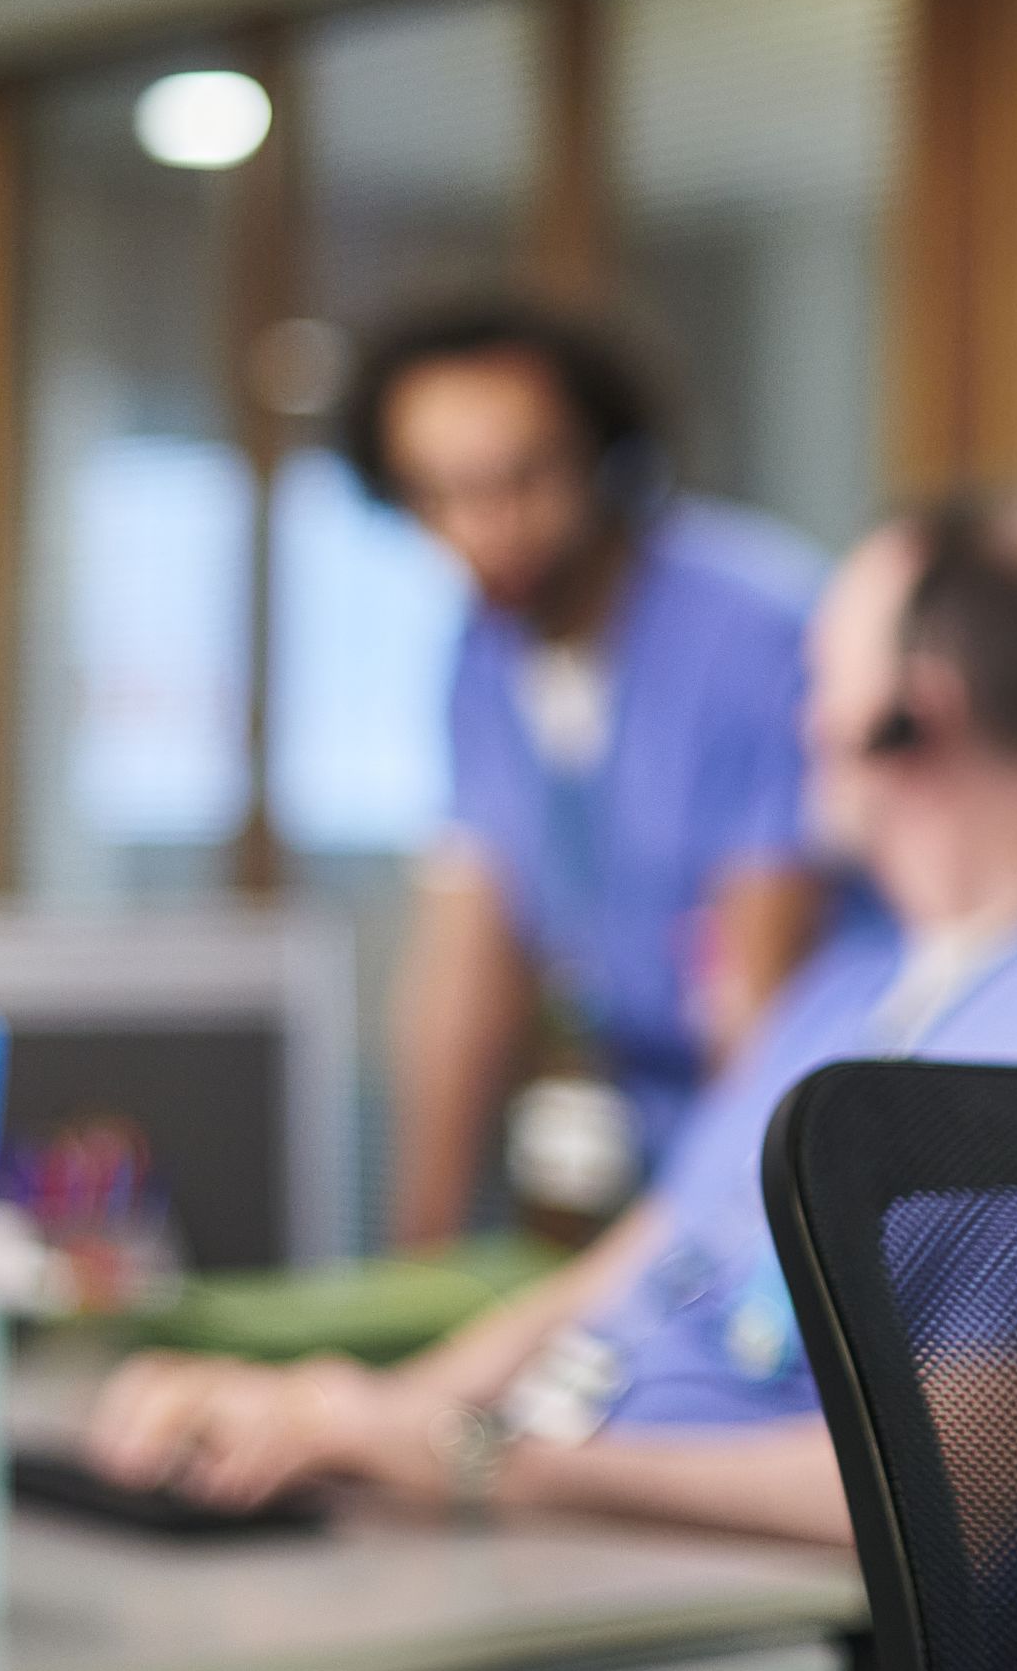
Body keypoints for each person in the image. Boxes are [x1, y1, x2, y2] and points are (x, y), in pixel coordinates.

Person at [87, 491, 1017, 1671]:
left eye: (824, 673)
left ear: (908, 709)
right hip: (539, 1586)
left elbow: (939, 1509)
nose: (799, 713)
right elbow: (617, 1280)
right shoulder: (849, 990)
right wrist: (338, 1417)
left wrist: (478, 1462)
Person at [346, 300, 828, 1245]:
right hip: (639, 1156)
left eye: (520, 481)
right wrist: (416, 1255)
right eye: (437, 495)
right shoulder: (480, 661)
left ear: (607, 457)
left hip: (781, 1155)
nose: (482, 529)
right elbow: (464, 962)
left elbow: (753, 995)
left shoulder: (750, 631)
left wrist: (698, 1261)